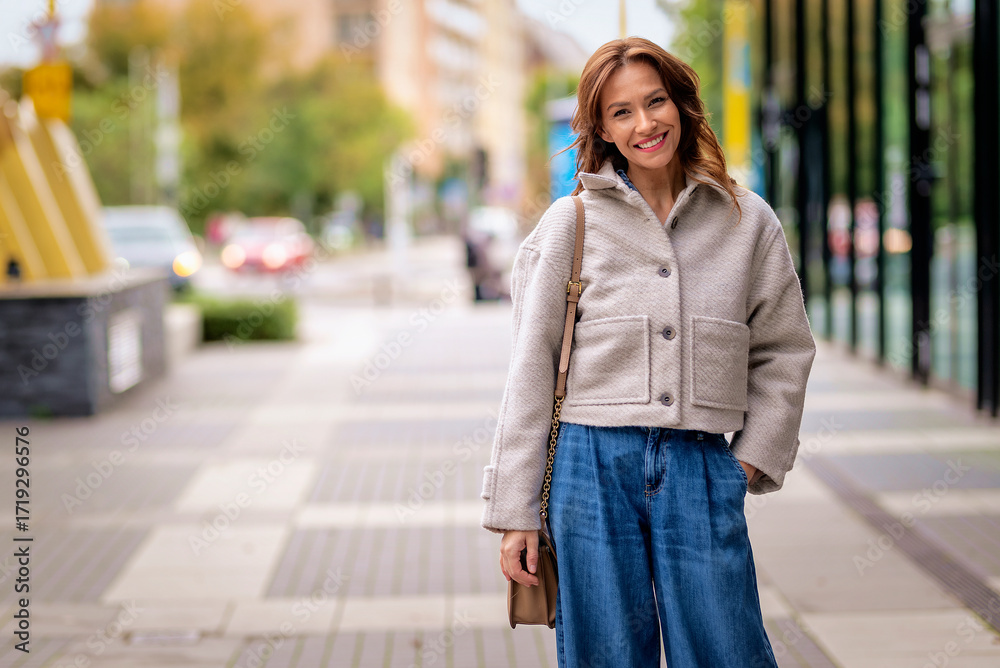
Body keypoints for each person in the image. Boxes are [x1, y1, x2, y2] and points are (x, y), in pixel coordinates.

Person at [480, 37, 816, 667]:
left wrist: (742, 466)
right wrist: (516, 513)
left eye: (655, 101)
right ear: (602, 129)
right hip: (589, 466)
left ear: (682, 105)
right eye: (622, 112)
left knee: (727, 649)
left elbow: (784, 351)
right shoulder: (569, 224)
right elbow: (530, 371)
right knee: (605, 653)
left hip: (700, 464)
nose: (645, 123)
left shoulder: (748, 222)